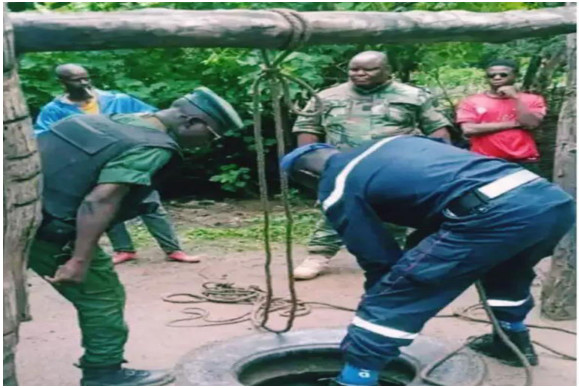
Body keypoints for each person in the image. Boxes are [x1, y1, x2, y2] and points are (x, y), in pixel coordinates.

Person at [281, 135, 574, 386]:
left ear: (308, 176)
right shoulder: (395, 142)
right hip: (549, 202)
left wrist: (385, 291)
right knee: (507, 274)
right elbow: (440, 193)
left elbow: (375, 256)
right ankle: (512, 342)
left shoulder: (337, 182)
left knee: (393, 298)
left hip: (493, 213)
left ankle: (356, 378)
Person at [31, 87, 243, 385]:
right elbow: (101, 200)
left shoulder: (108, 120)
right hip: (46, 230)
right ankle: (104, 373)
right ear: (191, 121)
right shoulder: (151, 145)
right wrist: (79, 259)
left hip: (16, 210)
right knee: (103, 297)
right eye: (212, 135)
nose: (208, 144)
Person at [291, 50, 452, 280]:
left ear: (387, 71)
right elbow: (308, 129)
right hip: (343, 166)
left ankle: (393, 258)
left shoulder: (413, 96)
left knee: (394, 212)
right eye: (354, 69)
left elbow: (437, 130)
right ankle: (318, 254)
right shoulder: (327, 97)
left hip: (395, 167)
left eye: (369, 69)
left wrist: (439, 164)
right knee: (335, 209)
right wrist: (309, 164)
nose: (359, 73)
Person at [35, 63, 200, 264]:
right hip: (91, 165)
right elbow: (44, 136)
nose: (84, 82)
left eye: (86, 77)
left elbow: (155, 117)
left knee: (150, 202)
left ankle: (173, 249)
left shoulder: (117, 100)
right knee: (105, 205)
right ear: (62, 83)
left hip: (131, 157)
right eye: (76, 79)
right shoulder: (54, 110)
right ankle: (124, 249)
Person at [456, 59, 547, 174]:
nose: (497, 77)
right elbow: (469, 129)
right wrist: (515, 124)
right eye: (491, 75)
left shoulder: (533, 99)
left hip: (524, 161)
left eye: (503, 74)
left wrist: (516, 98)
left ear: (515, 76)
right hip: (485, 161)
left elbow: (531, 123)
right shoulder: (471, 101)